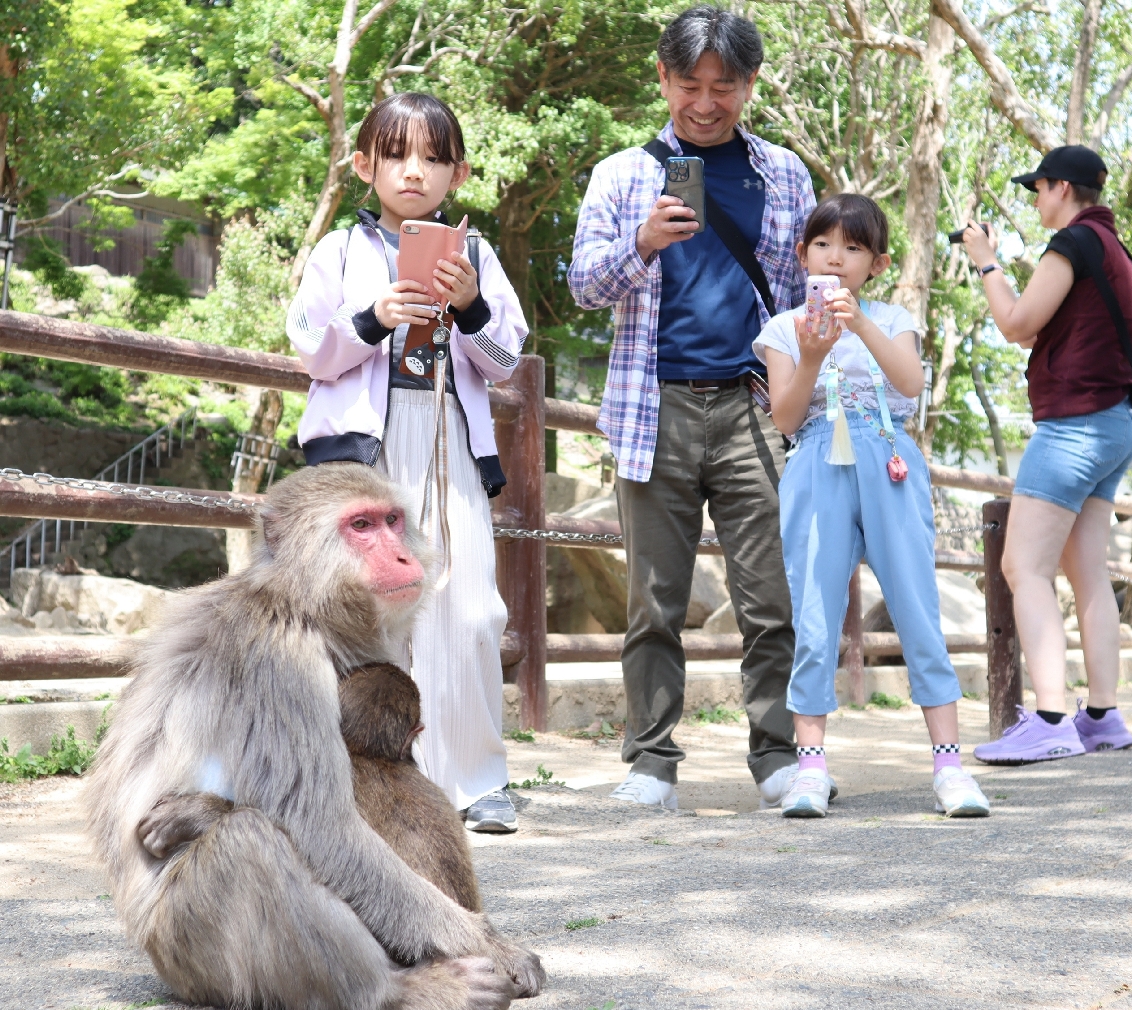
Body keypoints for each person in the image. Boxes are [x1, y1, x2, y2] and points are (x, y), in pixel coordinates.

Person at [569, 5, 815, 811]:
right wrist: (642, 243)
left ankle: (779, 755)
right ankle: (650, 762)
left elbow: (800, 294)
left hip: (753, 407)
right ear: (662, 78)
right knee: (653, 600)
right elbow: (581, 289)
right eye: (689, 84)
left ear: (749, 84)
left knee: (771, 595)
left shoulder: (784, 173)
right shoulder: (620, 175)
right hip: (655, 405)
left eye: (724, 86)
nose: (705, 103)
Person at [286, 93, 529, 832]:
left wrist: (473, 307)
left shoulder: (475, 254)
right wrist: (372, 319)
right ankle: (365, 779)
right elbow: (309, 347)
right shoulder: (339, 252)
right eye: (395, 155)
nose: (413, 171)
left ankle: (479, 779)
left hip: (450, 437)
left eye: (432, 157)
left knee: (470, 607)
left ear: (457, 171)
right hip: (369, 448)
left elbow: (506, 358)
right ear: (365, 165)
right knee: (367, 610)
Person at [755, 194, 991, 818]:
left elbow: (910, 384)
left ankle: (949, 766)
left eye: (854, 247)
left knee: (916, 608)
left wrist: (859, 324)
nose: (837, 257)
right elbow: (784, 416)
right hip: (815, 464)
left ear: (877, 263)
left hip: (889, 461)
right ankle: (810, 770)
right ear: (803, 253)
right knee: (813, 617)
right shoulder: (783, 327)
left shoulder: (894, 317)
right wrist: (810, 353)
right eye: (825, 244)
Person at [964, 145, 1132, 764]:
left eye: (1038, 189)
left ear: (1061, 187)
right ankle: (1101, 715)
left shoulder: (1070, 244)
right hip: (1118, 421)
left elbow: (1014, 325)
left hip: (1072, 424)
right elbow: (1041, 325)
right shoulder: (1117, 250)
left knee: (1023, 568)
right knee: (1086, 570)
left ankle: (1048, 720)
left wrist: (985, 262)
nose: (1036, 200)